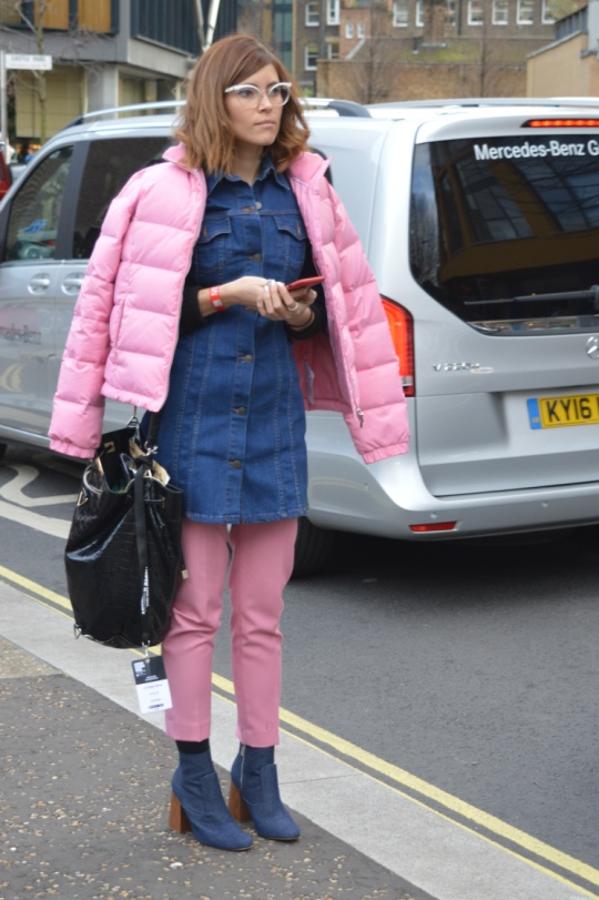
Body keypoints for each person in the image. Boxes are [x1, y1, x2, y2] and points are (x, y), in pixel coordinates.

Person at [48, 33, 409, 851]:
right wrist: (222, 295)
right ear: (216, 98)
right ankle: (192, 771)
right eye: (250, 92)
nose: (268, 106)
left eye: (278, 92)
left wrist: (295, 313)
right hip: (191, 424)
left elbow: (340, 309)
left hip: (276, 418)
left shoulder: (308, 191)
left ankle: (260, 769)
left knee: (261, 615)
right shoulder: (156, 191)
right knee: (193, 614)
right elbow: (113, 314)